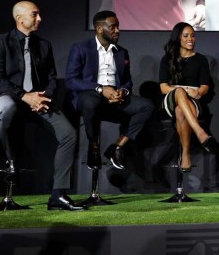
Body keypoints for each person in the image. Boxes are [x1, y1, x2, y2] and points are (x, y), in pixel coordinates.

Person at [0, 1, 84, 211]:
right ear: (20, 19)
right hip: (9, 96)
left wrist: (42, 97)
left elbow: (51, 78)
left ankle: (58, 195)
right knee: (6, 108)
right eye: (35, 15)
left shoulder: (44, 45)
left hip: (38, 100)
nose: (40, 19)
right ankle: (11, 161)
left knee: (69, 134)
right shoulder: (1, 41)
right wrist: (24, 96)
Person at [65, 10, 155, 171]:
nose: (117, 30)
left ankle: (118, 147)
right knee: (90, 100)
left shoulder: (121, 52)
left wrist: (122, 92)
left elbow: (127, 81)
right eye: (112, 27)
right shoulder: (81, 48)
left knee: (147, 105)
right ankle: (93, 146)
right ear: (99, 29)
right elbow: (71, 80)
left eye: (118, 26)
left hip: (114, 99)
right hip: (90, 98)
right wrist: (100, 89)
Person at [159, 22, 219, 172]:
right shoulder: (167, 59)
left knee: (181, 111)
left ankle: (185, 154)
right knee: (179, 92)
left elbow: (205, 86)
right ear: (178, 38)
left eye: (193, 36)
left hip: (193, 100)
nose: (190, 39)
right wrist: (181, 90)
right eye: (186, 35)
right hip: (171, 99)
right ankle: (200, 133)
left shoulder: (200, 59)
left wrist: (199, 92)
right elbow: (163, 88)